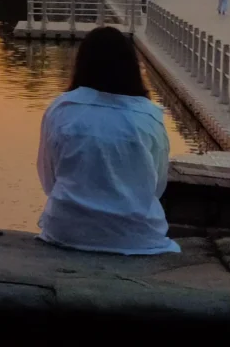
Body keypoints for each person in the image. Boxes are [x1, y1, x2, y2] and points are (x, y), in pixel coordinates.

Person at [37, 27, 178, 255]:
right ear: (131, 67)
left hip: (66, 231)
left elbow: (48, 179)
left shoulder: (61, 110)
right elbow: (157, 185)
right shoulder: (149, 116)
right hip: (137, 236)